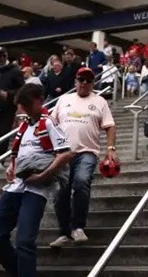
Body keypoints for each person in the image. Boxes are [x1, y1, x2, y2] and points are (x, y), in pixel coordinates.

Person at [0, 83, 72, 277]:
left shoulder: (48, 122)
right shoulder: (24, 126)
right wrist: (11, 166)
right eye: (21, 104)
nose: (23, 107)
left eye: (27, 103)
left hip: (36, 189)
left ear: (40, 100)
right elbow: (17, 153)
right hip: (15, 187)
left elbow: (65, 154)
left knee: (25, 241)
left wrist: (43, 175)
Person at [49, 68, 117, 247]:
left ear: (93, 83)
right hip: (62, 153)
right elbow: (50, 123)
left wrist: (111, 149)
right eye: (81, 79)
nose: (84, 83)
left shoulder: (100, 101)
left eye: (88, 80)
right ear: (75, 81)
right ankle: (65, 232)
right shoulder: (64, 100)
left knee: (81, 181)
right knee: (60, 194)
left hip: (87, 152)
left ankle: (78, 226)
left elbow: (110, 126)